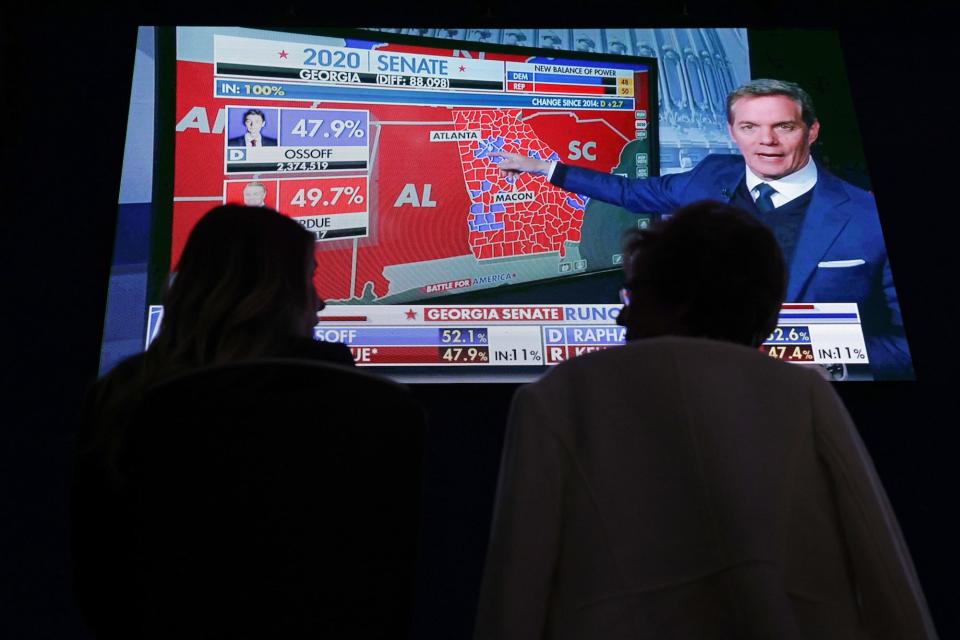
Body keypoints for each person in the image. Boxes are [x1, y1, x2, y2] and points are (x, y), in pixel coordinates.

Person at [474, 201, 937, 640]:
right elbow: (885, 572)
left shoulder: (555, 398)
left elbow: (514, 590)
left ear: (673, 297)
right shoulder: (804, 393)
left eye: (634, 293)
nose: (622, 313)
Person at [493, 79, 909, 379]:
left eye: (784, 126)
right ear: (733, 132)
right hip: (705, 381)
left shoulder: (867, 215)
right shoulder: (709, 177)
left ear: (811, 131)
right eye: (750, 127)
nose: (767, 141)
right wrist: (546, 169)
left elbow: (905, 345)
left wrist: (832, 369)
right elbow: (630, 191)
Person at [71, 205, 353, 638]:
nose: (320, 301)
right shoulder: (323, 385)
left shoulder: (120, 395)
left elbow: (99, 580)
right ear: (273, 294)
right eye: (308, 279)